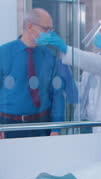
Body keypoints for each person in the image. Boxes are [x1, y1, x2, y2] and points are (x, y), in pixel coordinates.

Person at [37, 17, 101, 134]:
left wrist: (65, 48)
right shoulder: (98, 57)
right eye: (99, 30)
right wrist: (69, 83)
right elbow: (87, 91)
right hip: (88, 124)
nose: (99, 34)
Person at [0, 8, 65, 139]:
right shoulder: (3, 53)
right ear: (29, 26)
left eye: (51, 30)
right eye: (46, 29)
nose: (49, 34)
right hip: (9, 126)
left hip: (42, 125)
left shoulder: (49, 56)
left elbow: (57, 94)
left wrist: (56, 127)